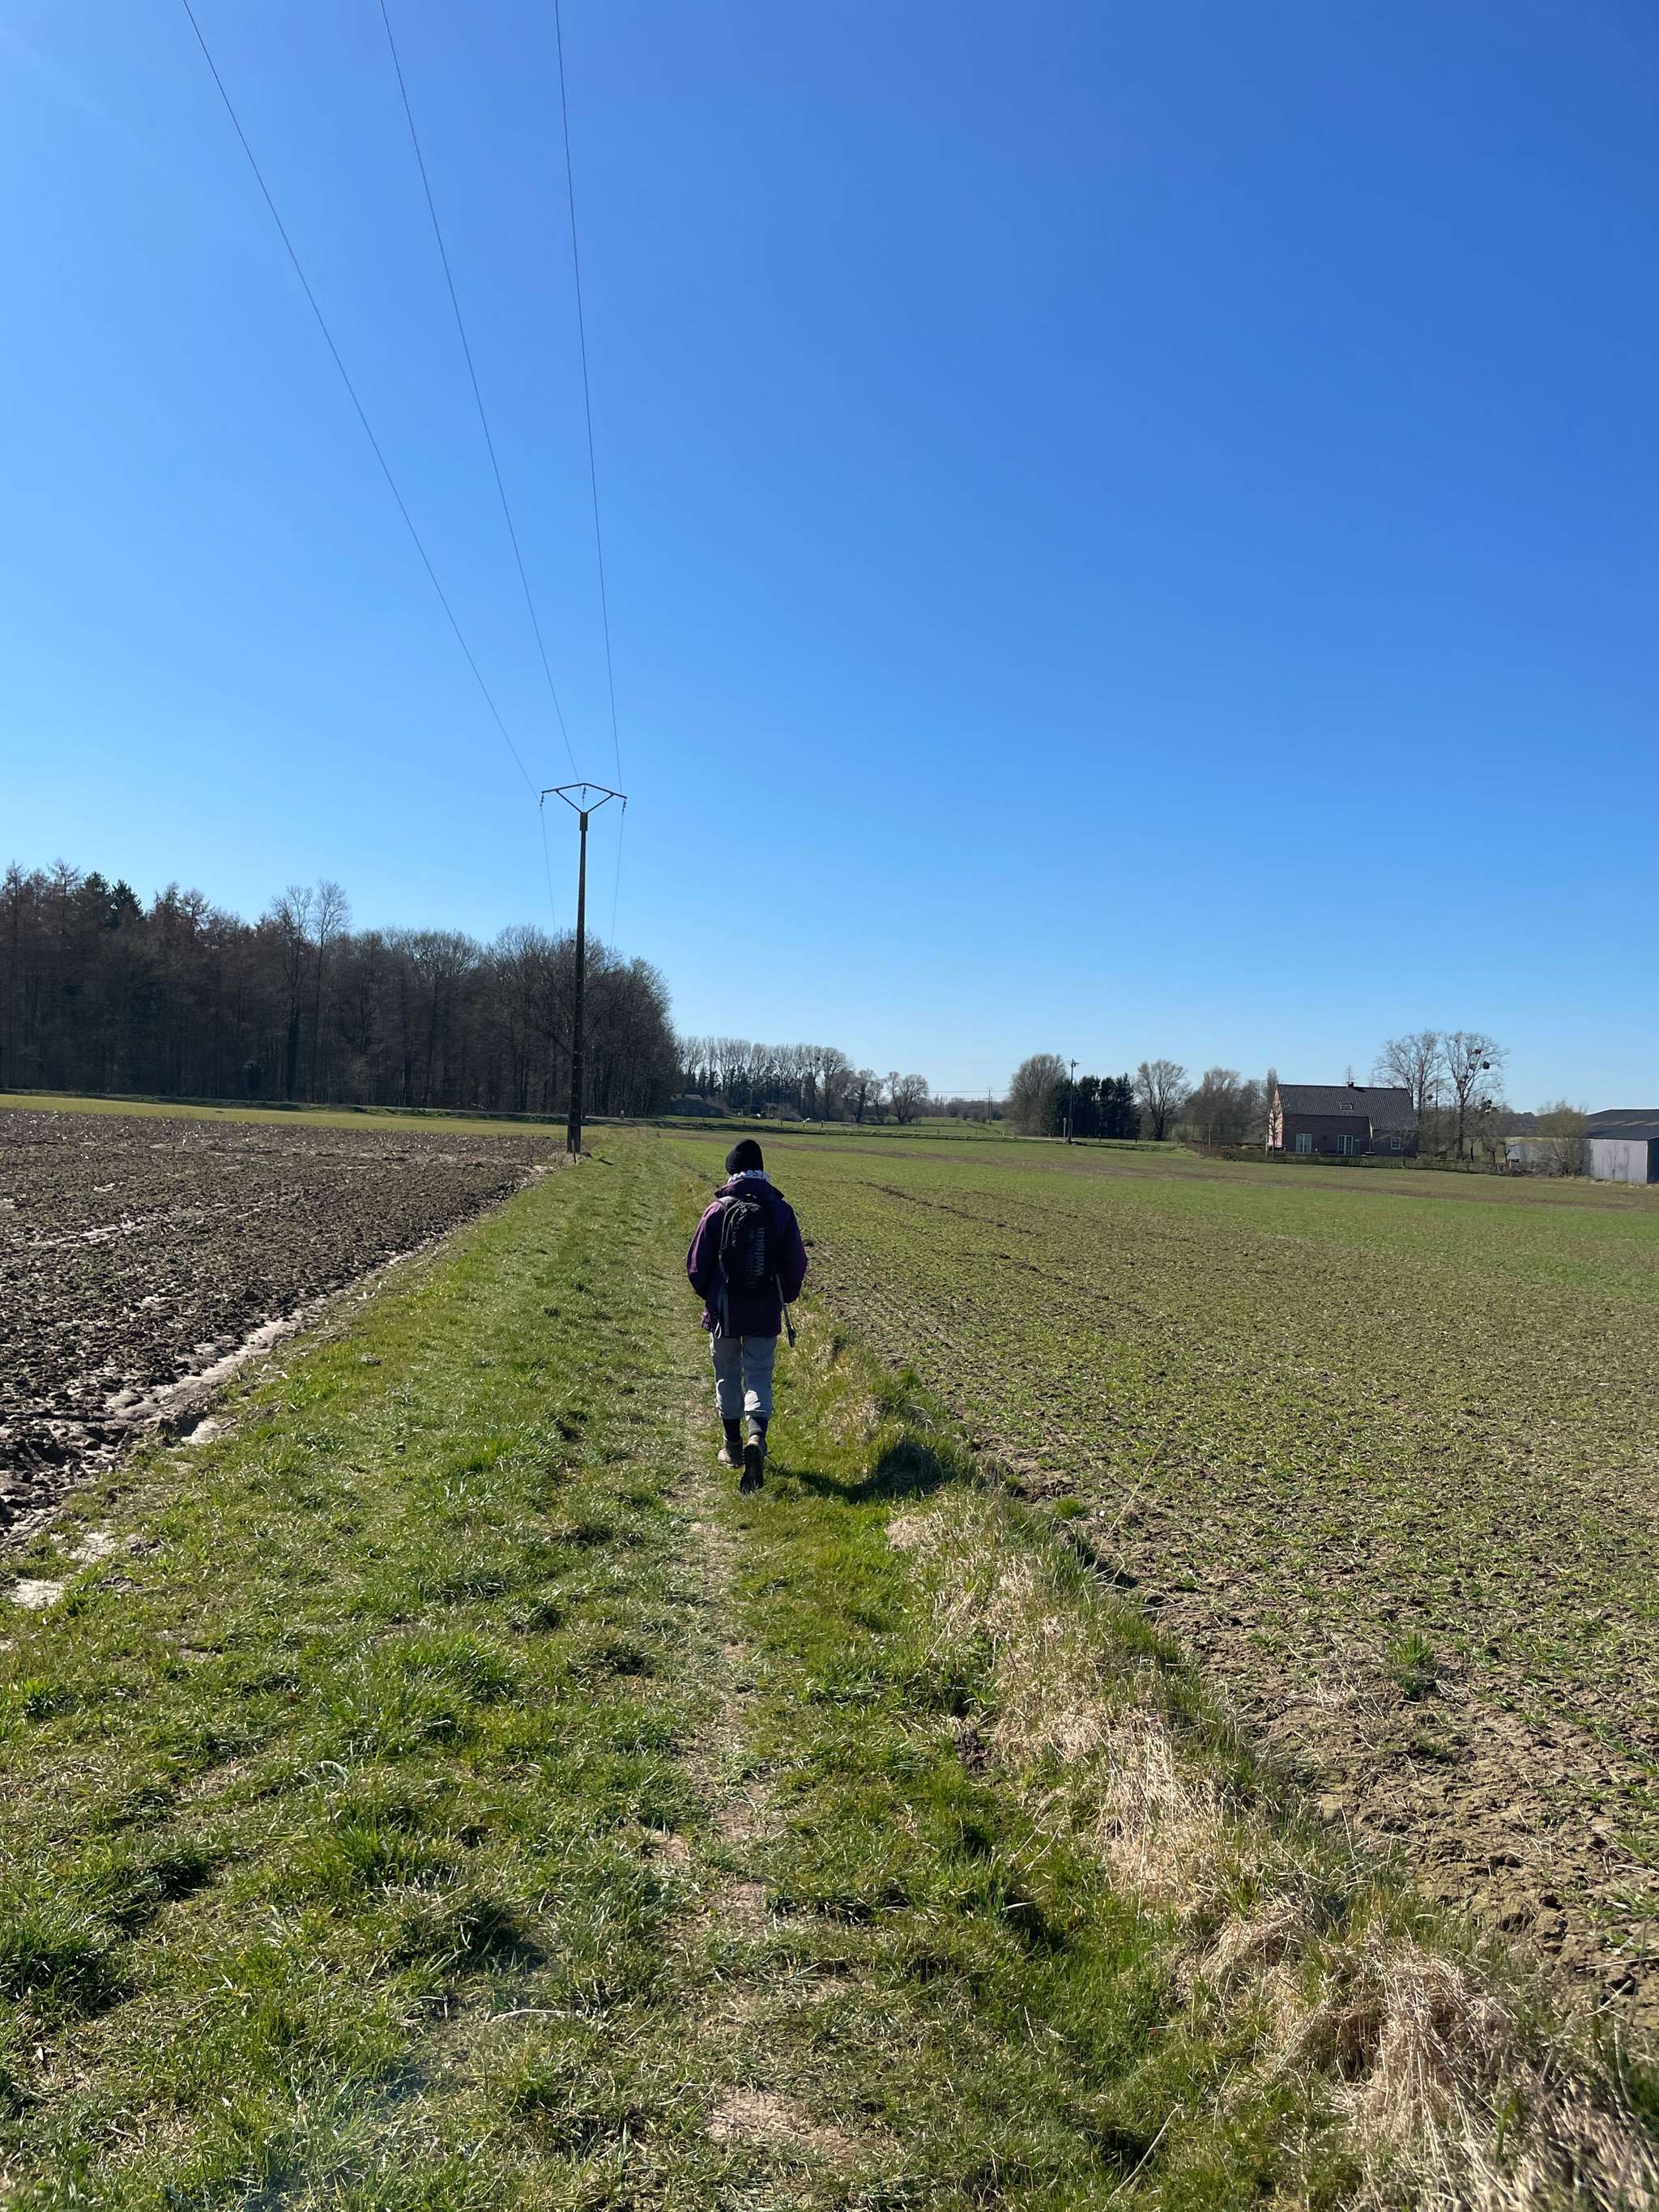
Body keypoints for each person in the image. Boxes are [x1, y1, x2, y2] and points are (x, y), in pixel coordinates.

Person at [685, 1138, 808, 1490]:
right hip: (765, 1309)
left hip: (724, 1311)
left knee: (727, 1374)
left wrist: (712, 1297)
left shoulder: (717, 1210)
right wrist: (784, 1298)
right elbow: (796, 1264)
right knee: (759, 1374)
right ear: (761, 1171)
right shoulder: (781, 1211)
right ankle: (757, 1437)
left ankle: (733, 1447)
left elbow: (696, 1265)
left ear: (732, 1172)